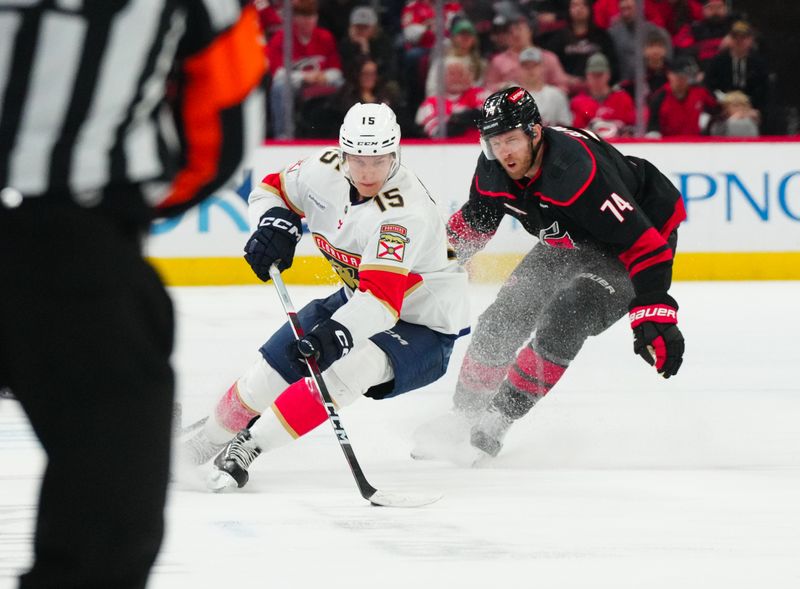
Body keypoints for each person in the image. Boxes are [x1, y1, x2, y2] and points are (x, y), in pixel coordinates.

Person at [0, 3, 265, 588]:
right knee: (108, 523)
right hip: (68, 251)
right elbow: (221, 126)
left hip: (71, 244)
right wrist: (106, 215)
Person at [180, 103, 470, 491]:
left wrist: (336, 334)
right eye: (358, 160)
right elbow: (270, 188)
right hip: (357, 298)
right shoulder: (323, 169)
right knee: (270, 372)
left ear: (395, 153)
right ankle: (203, 442)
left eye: (379, 161)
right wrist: (272, 222)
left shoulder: (405, 212)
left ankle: (249, 446)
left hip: (425, 324)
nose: (368, 172)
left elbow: (382, 303)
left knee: (354, 367)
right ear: (343, 152)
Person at [411, 86, 686, 462]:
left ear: (535, 132)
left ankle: (499, 418)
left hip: (626, 247)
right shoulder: (493, 166)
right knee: (504, 316)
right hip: (569, 241)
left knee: (565, 317)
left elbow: (644, 245)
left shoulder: (577, 173)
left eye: (511, 139)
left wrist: (654, 309)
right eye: (494, 141)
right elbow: (475, 224)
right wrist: (426, 268)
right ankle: (465, 415)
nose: (503, 152)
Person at [647, 55, 718, 137]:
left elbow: (717, 110)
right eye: (678, 76)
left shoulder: (700, 92)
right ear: (669, 75)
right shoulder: (660, 98)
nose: (682, 79)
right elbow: (652, 128)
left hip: (696, 143)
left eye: (685, 76)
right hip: (669, 145)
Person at [569, 53, 635, 138]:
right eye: (593, 75)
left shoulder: (622, 98)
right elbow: (575, 132)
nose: (597, 79)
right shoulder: (578, 102)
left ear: (608, 75)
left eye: (600, 75)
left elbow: (632, 127)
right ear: (587, 76)